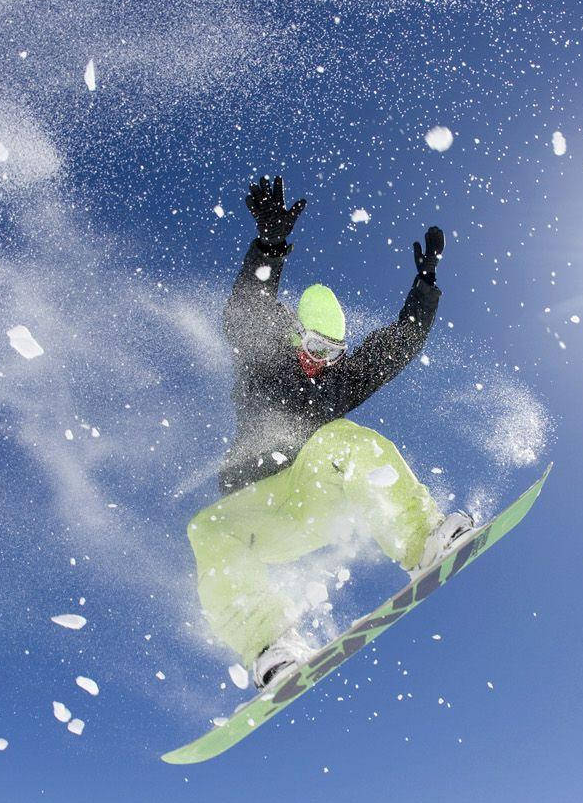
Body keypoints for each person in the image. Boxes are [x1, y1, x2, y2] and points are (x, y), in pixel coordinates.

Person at [188, 175, 476, 690]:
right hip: (256, 509)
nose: (323, 363)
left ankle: (423, 540)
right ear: (297, 335)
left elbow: (395, 348)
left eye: (334, 353)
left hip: (309, 497)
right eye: (317, 347)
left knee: (339, 437)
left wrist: (425, 286)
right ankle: (270, 645)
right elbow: (245, 312)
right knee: (205, 530)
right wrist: (270, 246)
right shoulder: (266, 355)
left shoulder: (335, 383)